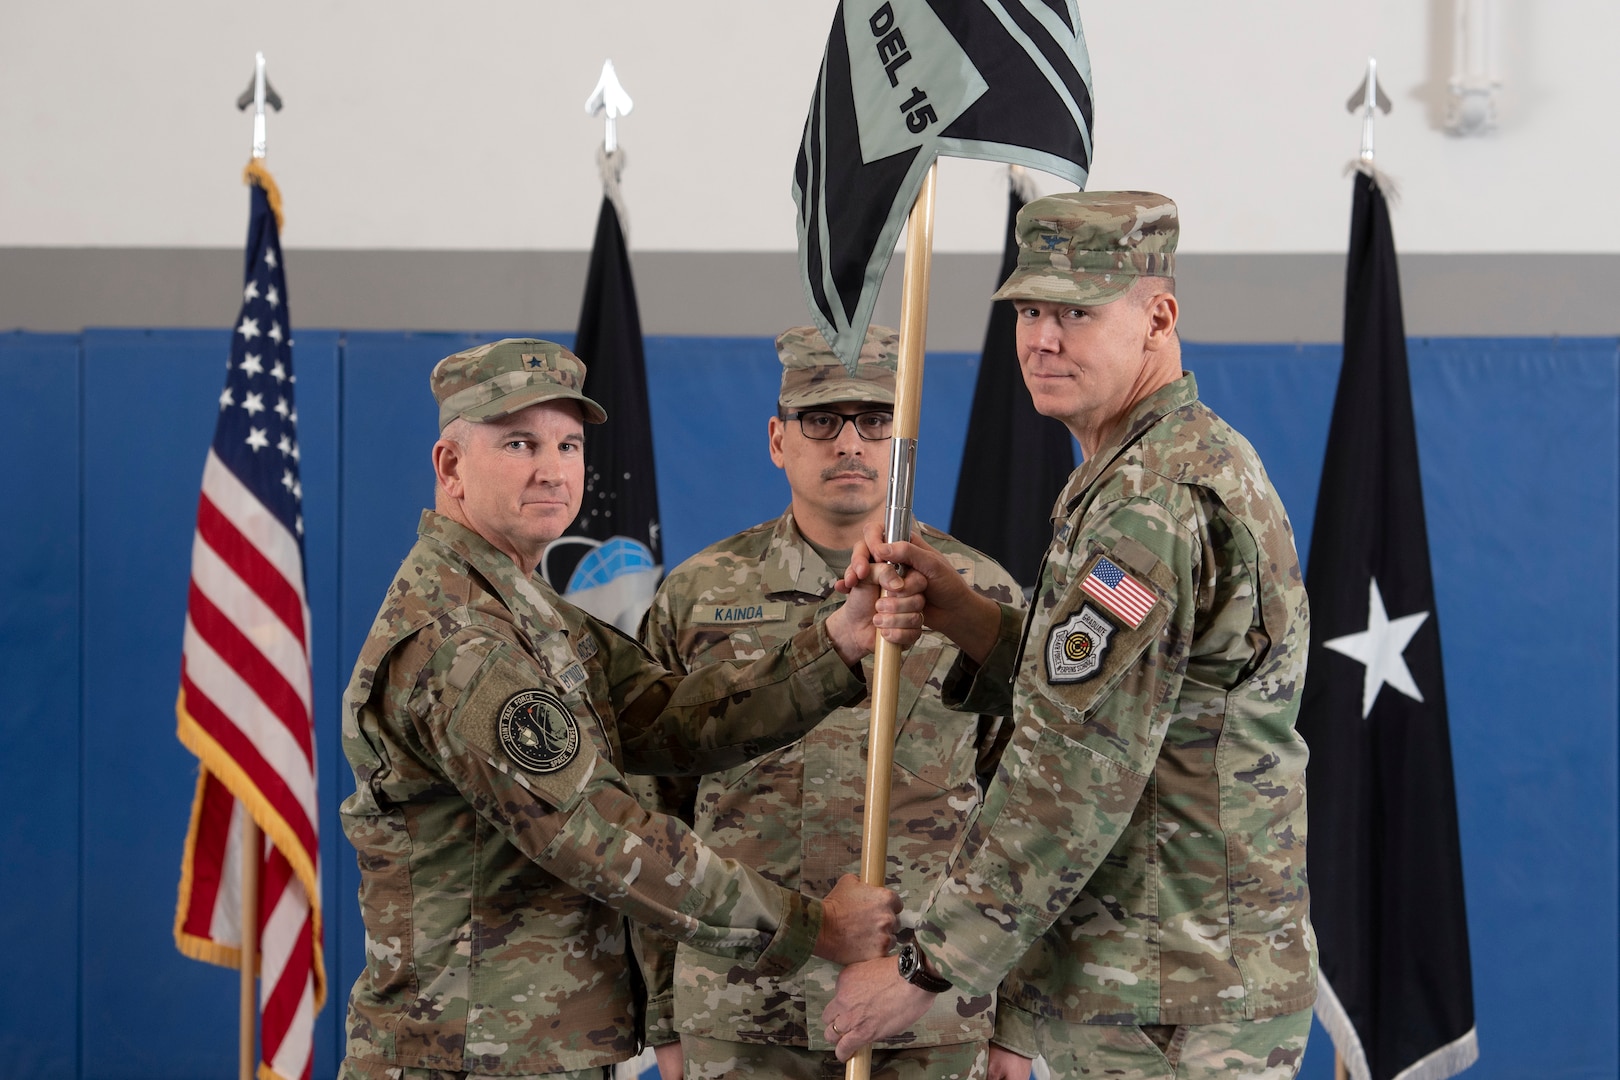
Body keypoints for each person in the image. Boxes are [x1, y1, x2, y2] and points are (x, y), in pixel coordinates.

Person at [822, 192, 1317, 1080]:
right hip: (1157, 972)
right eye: (1029, 311)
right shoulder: (1142, 468)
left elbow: (1077, 769)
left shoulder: (1151, 503)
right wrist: (969, 618)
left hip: (1167, 994)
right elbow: (1134, 698)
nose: (1042, 339)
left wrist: (926, 971)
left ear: (1158, 316)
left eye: (1076, 312)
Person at [338, 338, 923, 1080]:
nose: (552, 469)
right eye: (519, 444)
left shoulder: (530, 613)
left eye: (569, 444)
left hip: (526, 1046)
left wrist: (838, 641)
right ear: (450, 467)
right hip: (468, 1054)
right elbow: (599, 836)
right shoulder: (462, 642)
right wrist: (813, 927)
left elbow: (670, 718)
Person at [632, 326, 1021, 1079]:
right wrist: (665, 1017)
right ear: (779, 440)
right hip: (744, 1012)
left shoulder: (979, 596)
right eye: (822, 420)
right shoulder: (698, 596)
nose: (850, 442)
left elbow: (1027, 812)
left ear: (903, 439)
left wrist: (1020, 1022)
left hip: (931, 1009)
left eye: (875, 421)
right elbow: (654, 813)